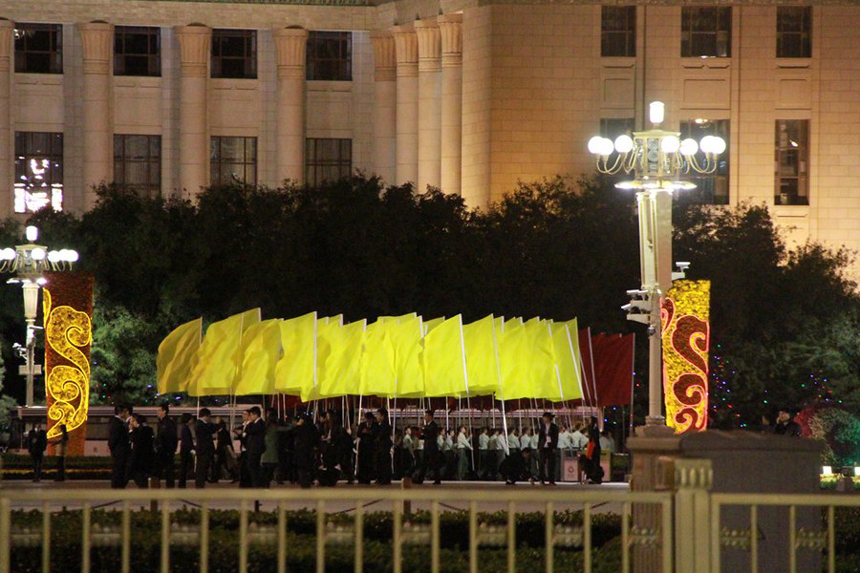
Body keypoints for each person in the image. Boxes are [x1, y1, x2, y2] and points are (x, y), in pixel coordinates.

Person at [293, 413, 319, 489]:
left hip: (301, 450)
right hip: (310, 450)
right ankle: (309, 481)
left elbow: (294, 432)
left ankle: (304, 483)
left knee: (302, 468)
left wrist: (298, 424)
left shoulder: (301, 427)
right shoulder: (312, 427)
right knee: (309, 467)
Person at [108, 405, 132, 489]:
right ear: (121, 412)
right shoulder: (117, 423)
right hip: (120, 451)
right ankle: (117, 487)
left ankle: (118, 486)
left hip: (118, 451)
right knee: (119, 470)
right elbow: (115, 438)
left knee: (119, 469)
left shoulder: (115, 422)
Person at [130, 414, 155, 488]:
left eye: (132, 421)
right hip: (148, 456)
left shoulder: (137, 431)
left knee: (137, 474)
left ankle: (143, 486)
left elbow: (134, 440)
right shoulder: (149, 429)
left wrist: (131, 430)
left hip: (138, 457)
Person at [416, 410, 441, 485]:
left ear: (430, 416)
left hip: (432, 448)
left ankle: (437, 479)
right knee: (424, 464)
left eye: (426, 416)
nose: (424, 417)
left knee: (434, 464)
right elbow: (424, 436)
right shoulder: (427, 426)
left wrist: (422, 429)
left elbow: (429, 433)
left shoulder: (433, 425)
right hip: (427, 447)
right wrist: (419, 433)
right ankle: (420, 479)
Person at [155, 404, 178, 488]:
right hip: (160, 450)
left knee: (169, 471)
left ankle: (170, 487)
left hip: (167, 450)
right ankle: (157, 486)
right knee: (158, 471)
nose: (157, 412)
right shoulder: (160, 422)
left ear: (164, 411)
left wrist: (171, 449)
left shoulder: (169, 423)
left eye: (159, 410)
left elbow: (172, 437)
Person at [245, 407, 266, 487]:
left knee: (254, 468)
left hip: (256, 449)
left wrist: (249, 423)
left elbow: (250, 431)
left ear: (255, 415)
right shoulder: (256, 424)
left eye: (250, 415)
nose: (250, 417)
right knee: (252, 468)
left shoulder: (260, 423)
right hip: (253, 449)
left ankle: (256, 485)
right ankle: (255, 484)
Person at [195, 408, 217, 488]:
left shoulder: (201, 424)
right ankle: (200, 485)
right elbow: (211, 430)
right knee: (201, 468)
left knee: (203, 468)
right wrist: (216, 424)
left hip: (204, 450)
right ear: (206, 416)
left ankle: (201, 484)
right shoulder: (200, 424)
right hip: (203, 450)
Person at [538, 412, 559, 486]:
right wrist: (538, 447)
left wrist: (554, 447)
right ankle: (541, 479)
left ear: (548, 418)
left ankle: (551, 480)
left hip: (551, 447)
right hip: (543, 446)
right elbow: (540, 437)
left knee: (551, 464)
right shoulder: (542, 426)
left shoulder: (554, 427)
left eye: (544, 417)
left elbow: (556, 438)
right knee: (541, 464)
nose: (543, 419)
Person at [356, 412, 377, 484]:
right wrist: (363, 432)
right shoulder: (362, 425)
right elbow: (358, 434)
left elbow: (376, 434)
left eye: (369, 419)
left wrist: (370, 432)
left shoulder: (375, 425)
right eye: (367, 419)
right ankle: (361, 478)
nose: (368, 421)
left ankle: (368, 478)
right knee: (362, 463)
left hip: (370, 447)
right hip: (363, 447)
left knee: (369, 463)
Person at [261, 410, 280, 487]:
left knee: (264, 472)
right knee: (269, 472)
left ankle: (264, 486)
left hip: (264, 453)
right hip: (272, 454)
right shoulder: (275, 427)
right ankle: (266, 485)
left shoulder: (265, 426)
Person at [374, 408, 393, 485]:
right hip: (381, 446)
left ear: (383, 416)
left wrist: (377, 439)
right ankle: (381, 478)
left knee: (384, 462)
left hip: (384, 446)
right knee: (380, 462)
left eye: (378, 415)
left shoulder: (385, 425)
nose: (377, 417)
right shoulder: (380, 425)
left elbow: (381, 436)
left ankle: (385, 479)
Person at [583, 416, 603, 484]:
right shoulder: (593, 427)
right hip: (594, 447)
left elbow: (593, 437)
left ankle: (594, 477)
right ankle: (592, 476)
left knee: (594, 463)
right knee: (594, 462)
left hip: (594, 447)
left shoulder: (593, 428)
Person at [234, 410, 251, 487]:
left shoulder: (250, 425)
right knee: (243, 467)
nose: (243, 415)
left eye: (245, 414)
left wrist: (241, 435)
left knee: (246, 467)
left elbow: (246, 437)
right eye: (242, 414)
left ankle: (247, 483)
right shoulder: (243, 425)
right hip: (243, 449)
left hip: (248, 449)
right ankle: (243, 483)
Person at [178, 413, 195, 489]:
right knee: (184, 467)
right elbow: (187, 440)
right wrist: (192, 448)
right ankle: (182, 484)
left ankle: (182, 483)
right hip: (186, 450)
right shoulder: (185, 428)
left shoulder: (184, 427)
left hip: (185, 450)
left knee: (184, 467)